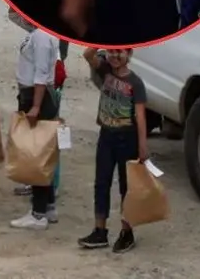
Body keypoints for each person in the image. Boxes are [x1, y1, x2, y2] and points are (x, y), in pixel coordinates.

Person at [78, 47, 149, 253]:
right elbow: (87, 55)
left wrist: (143, 145)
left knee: (126, 187)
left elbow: (141, 116)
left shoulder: (135, 83)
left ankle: (127, 232)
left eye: (120, 52)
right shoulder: (105, 71)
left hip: (127, 139)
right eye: (112, 51)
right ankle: (100, 231)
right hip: (106, 136)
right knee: (101, 182)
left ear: (130, 54)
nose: (115, 56)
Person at [9, 21, 62, 230]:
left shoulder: (41, 36)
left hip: (36, 97)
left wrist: (35, 106)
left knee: (36, 156)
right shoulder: (42, 32)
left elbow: (41, 73)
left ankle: (38, 213)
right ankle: (48, 206)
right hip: (34, 94)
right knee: (43, 154)